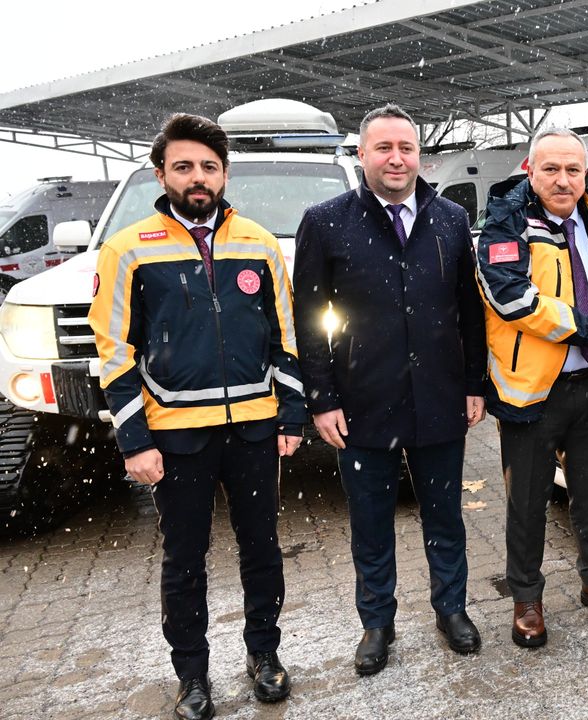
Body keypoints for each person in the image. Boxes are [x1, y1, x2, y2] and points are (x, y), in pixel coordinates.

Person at [89, 113, 303, 720]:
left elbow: (286, 337)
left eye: (209, 166)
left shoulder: (259, 244)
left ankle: (264, 655)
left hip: (254, 429)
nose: (198, 177)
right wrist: (134, 441)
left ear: (224, 173)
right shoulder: (127, 249)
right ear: (161, 175)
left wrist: (291, 416)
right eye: (183, 166)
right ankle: (191, 675)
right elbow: (114, 354)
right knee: (184, 561)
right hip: (176, 436)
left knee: (262, 549)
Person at [293, 104, 487, 673]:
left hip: (440, 397)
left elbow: (470, 309)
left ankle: (451, 608)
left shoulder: (451, 219)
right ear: (362, 155)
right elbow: (309, 318)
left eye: (406, 148)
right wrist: (322, 398)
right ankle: (377, 622)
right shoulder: (325, 222)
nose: (396, 159)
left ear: (419, 155)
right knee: (371, 523)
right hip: (362, 401)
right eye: (384, 148)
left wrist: (474, 382)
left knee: (445, 516)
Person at [475, 127, 588, 648]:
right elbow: (511, 298)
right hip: (531, 393)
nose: (563, 180)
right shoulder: (504, 222)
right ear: (530, 169)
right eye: (551, 169)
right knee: (528, 503)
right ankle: (526, 598)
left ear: (586, 174)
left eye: (574, 170)